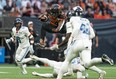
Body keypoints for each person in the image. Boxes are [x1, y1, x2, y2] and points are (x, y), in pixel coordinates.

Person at [56, 6, 114, 79]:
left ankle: (59, 78)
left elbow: (76, 28)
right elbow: (92, 35)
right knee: (87, 64)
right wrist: (85, 39)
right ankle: (101, 59)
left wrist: (71, 39)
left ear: (74, 12)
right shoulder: (86, 20)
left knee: (67, 61)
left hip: (77, 42)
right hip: (87, 43)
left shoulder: (73, 18)